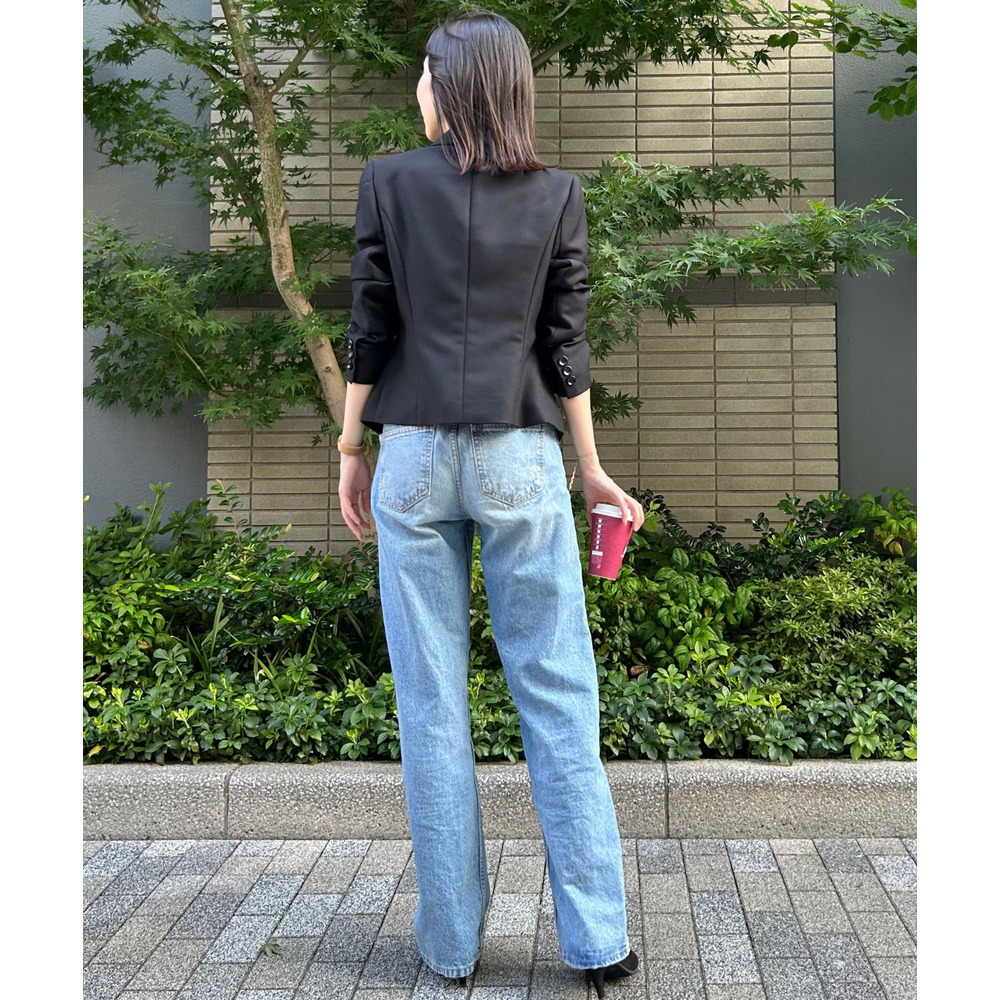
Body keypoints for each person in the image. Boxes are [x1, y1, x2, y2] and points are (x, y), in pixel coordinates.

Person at [336, 11, 644, 997]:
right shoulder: (557, 195)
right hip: (519, 454)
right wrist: (589, 467)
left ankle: (450, 947)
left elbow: (370, 326)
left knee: (431, 702)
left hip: (413, 454)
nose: (416, 89)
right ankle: (599, 943)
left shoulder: (388, 182)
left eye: (425, 74)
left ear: (454, 84)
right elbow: (565, 345)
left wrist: (351, 444)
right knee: (557, 690)